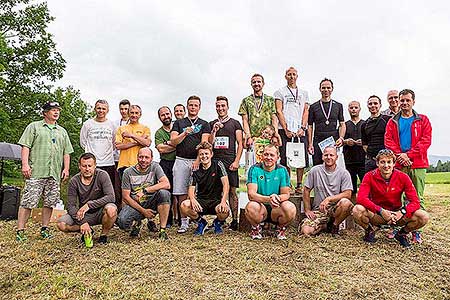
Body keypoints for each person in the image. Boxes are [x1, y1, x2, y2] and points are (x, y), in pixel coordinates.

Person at [16, 101, 73, 241]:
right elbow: (25, 146)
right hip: (36, 171)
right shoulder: (34, 127)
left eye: (57, 110)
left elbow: (67, 152)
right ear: (45, 112)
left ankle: (44, 229)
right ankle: (20, 230)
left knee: (50, 202)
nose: (56, 112)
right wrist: (25, 164)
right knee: (28, 202)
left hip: (54, 173)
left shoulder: (62, 131)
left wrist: (66, 168)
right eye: (53, 110)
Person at [352, 149, 429, 248]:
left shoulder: (403, 177)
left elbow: (415, 202)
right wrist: (381, 211)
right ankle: (370, 231)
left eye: (389, 162)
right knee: (357, 210)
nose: (386, 165)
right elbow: (361, 199)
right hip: (377, 214)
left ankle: (402, 234)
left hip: (396, 215)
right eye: (382, 162)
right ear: (377, 163)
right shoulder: (369, 176)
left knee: (423, 216)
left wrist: (402, 212)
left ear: (394, 164)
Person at [384, 89, 432, 243]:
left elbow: (425, 141)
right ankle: (398, 227)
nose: (404, 103)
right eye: (402, 100)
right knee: (397, 198)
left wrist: (408, 155)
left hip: (417, 163)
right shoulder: (393, 121)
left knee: (417, 197)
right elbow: (388, 141)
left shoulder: (422, 120)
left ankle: (416, 230)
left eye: (407, 100)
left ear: (413, 102)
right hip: (399, 164)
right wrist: (400, 156)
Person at [57, 153, 117, 247]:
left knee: (111, 209)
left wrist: (89, 205)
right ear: (79, 166)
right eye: (84, 166)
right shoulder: (74, 181)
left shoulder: (102, 175)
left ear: (95, 166)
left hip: (101, 212)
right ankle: (88, 230)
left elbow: (111, 197)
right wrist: (82, 222)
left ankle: (104, 235)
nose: (87, 169)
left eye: (90, 166)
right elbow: (71, 205)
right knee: (61, 224)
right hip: (83, 215)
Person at [170, 95, 211, 233]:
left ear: (199, 107)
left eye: (195, 105)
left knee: (196, 192)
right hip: (181, 159)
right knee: (181, 192)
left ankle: (198, 219)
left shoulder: (205, 124)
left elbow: (204, 143)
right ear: (187, 106)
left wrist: (198, 160)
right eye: (190, 105)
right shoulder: (179, 123)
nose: (193, 107)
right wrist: (184, 134)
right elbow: (173, 141)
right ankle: (184, 222)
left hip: (196, 160)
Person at [117, 147, 171, 240]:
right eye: (141, 157)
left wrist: (145, 190)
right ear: (137, 157)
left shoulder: (155, 167)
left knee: (164, 193)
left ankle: (162, 230)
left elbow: (166, 184)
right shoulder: (128, 172)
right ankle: (138, 223)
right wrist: (144, 211)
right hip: (136, 203)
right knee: (122, 222)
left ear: (151, 158)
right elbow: (125, 197)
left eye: (147, 157)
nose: (143, 160)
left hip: (152, 201)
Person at [245, 144, 296, 240]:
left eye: (272, 155)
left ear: (277, 157)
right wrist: (269, 199)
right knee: (251, 206)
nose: (268, 157)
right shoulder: (254, 169)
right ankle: (256, 228)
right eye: (266, 154)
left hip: (276, 207)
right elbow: (251, 195)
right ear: (262, 155)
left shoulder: (282, 170)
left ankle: (280, 228)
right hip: (261, 206)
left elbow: (286, 194)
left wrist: (277, 198)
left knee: (290, 207)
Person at [301, 146, 353, 236]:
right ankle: (325, 226)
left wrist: (329, 199)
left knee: (346, 203)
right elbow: (306, 190)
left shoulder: (344, 173)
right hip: (319, 210)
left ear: (336, 157)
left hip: (336, 209)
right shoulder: (315, 170)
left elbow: (348, 193)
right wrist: (307, 209)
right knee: (306, 231)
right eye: (326, 155)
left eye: (331, 155)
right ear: (322, 157)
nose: (329, 157)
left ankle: (335, 225)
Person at [179, 142, 230, 235]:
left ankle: (217, 223)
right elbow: (191, 188)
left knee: (224, 211)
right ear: (199, 156)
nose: (204, 156)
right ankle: (201, 222)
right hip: (202, 201)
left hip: (216, 201)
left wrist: (223, 201)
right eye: (201, 154)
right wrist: (193, 199)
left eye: (206, 153)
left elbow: (226, 184)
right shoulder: (196, 170)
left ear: (211, 154)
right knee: (184, 205)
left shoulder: (218, 164)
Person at [209, 96, 243, 230]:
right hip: (216, 162)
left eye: (223, 106)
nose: (220, 108)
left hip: (230, 162)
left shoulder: (235, 123)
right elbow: (209, 143)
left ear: (227, 107)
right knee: (218, 191)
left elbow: (240, 144)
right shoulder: (212, 123)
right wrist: (214, 131)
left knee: (232, 191)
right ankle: (220, 219)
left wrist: (236, 161)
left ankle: (235, 219)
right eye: (218, 106)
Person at [274, 66, 310, 194]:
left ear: (297, 76)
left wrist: (303, 127)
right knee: (285, 158)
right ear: (285, 76)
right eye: (289, 74)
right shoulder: (279, 92)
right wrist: (286, 128)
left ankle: (299, 185)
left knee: (301, 157)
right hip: (285, 130)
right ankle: (287, 184)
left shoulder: (304, 93)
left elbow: (306, 111)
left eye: (294, 74)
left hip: (300, 130)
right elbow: (278, 110)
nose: (292, 76)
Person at [80, 100, 120, 208]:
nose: (101, 111)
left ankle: (107, 213)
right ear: (95, 109)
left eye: (103, 108)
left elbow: (114, 143)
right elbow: (83, 142)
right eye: (99, 108)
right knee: (91, 190)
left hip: (108, 162)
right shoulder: (88, 124)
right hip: (92, 164)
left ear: (107, 110)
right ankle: (89, 211)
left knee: (108, 191)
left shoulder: (112, 125)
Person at [308, 78, 345, 166]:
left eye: (328, 88)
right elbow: (310, 126)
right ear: (320, 89)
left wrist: (341, 138)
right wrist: (310, 144)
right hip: (318, 140)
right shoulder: (313, 106)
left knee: (333, 166)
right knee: (318, 166)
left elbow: (342, 124)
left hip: (333, 140)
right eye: (323, 88)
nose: (326, 90)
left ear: (332, 89)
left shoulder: (338, 106)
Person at [239, 73, 280, 150]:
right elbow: (245, 120)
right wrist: (248, 136)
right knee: (253, 161)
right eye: (254, 82)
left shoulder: (270, 100)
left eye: (259, 82)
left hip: (268, 139)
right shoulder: (246, 101)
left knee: (269, 160)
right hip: (253, 140)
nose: (256, 84)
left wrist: (275, 135)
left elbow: (274, 119)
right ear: (251, 84)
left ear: (263, 83)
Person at [154, 106, 177, 226]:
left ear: (171, 114)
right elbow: (161, 149)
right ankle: (168, 220)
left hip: (178, 161)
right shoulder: (159, 132)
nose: (166, 116)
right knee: (166, 190)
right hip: (165, 163)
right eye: (163, 115)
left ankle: (181, 219)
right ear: (159, 117)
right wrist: (176, 145)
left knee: (179, 191)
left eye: (167, 114)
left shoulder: (177, 127)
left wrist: (168, 144)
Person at [115, 105, 151, 180]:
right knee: (125, 190)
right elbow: (118, 146)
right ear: (128, 114)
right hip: (124, 165)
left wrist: (131, 135)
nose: (134, 115)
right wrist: (139, 141)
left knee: (139, 190)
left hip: (140, 164)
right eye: (132, 113)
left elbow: (147, 143)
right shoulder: (121, 129)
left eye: (136, 113)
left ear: (140, 114)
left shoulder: (145, 128)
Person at [361, 95, 391, 173]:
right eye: (370, 104)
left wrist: (386, 157)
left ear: (380, 105)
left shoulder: (388, 120)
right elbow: (364, 144)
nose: (373, 105)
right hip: (371, 160)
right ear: (367, 106)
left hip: (386, 160)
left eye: (375, 103)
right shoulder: (364, 124)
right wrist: (372, 156)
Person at [343, 101, 365, 195]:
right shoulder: (344, 125)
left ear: (359, 109)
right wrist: (346, 141)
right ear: (348, 110)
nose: (353, 110)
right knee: (351, 188)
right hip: (349, 161)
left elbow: (370, 140)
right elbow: (338, 141)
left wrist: (364, 142)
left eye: (356, 107)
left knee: (365, 187)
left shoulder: (365, 123)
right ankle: (351, 208)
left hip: (363, 161)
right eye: (351, 108)